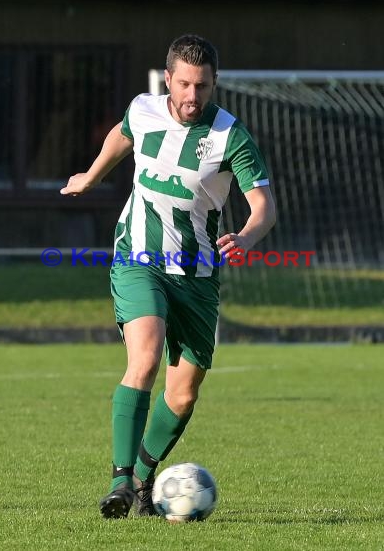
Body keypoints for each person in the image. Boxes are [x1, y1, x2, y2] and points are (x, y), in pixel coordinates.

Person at [60, 34, 276, 519]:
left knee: (183, 392)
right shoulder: (144, 109)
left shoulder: (230, 137)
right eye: (183, 84)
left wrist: (246, 235)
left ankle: (141, 478)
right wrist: (92, 175)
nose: (191, 96)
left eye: (201, 86)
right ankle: (119, 481)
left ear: (214, 84)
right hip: (137, 259)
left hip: (197, 276)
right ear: (169, 79)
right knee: (147, 353)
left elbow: (264, 207)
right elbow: (122, 133)